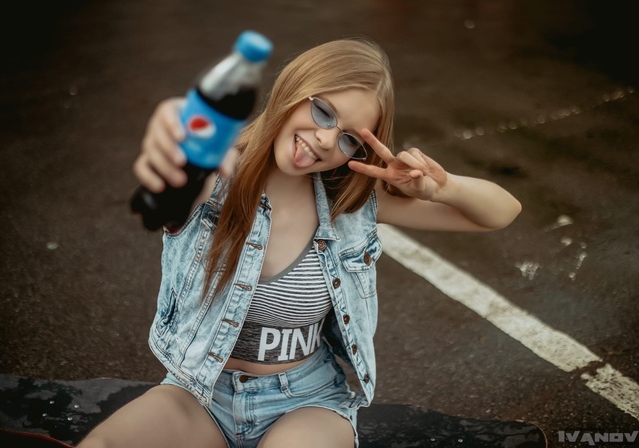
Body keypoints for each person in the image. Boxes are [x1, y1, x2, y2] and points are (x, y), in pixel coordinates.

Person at [78, 37, 521, 448]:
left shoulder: (351, 201)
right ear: (293, 89)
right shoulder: (216, 178)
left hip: (305, 402)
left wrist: (443, 189)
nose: (327, 139)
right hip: (199, 392)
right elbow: (176, 166)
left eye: (349, 138)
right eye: (323, 112)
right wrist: (175, 137)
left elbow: (501, 213)